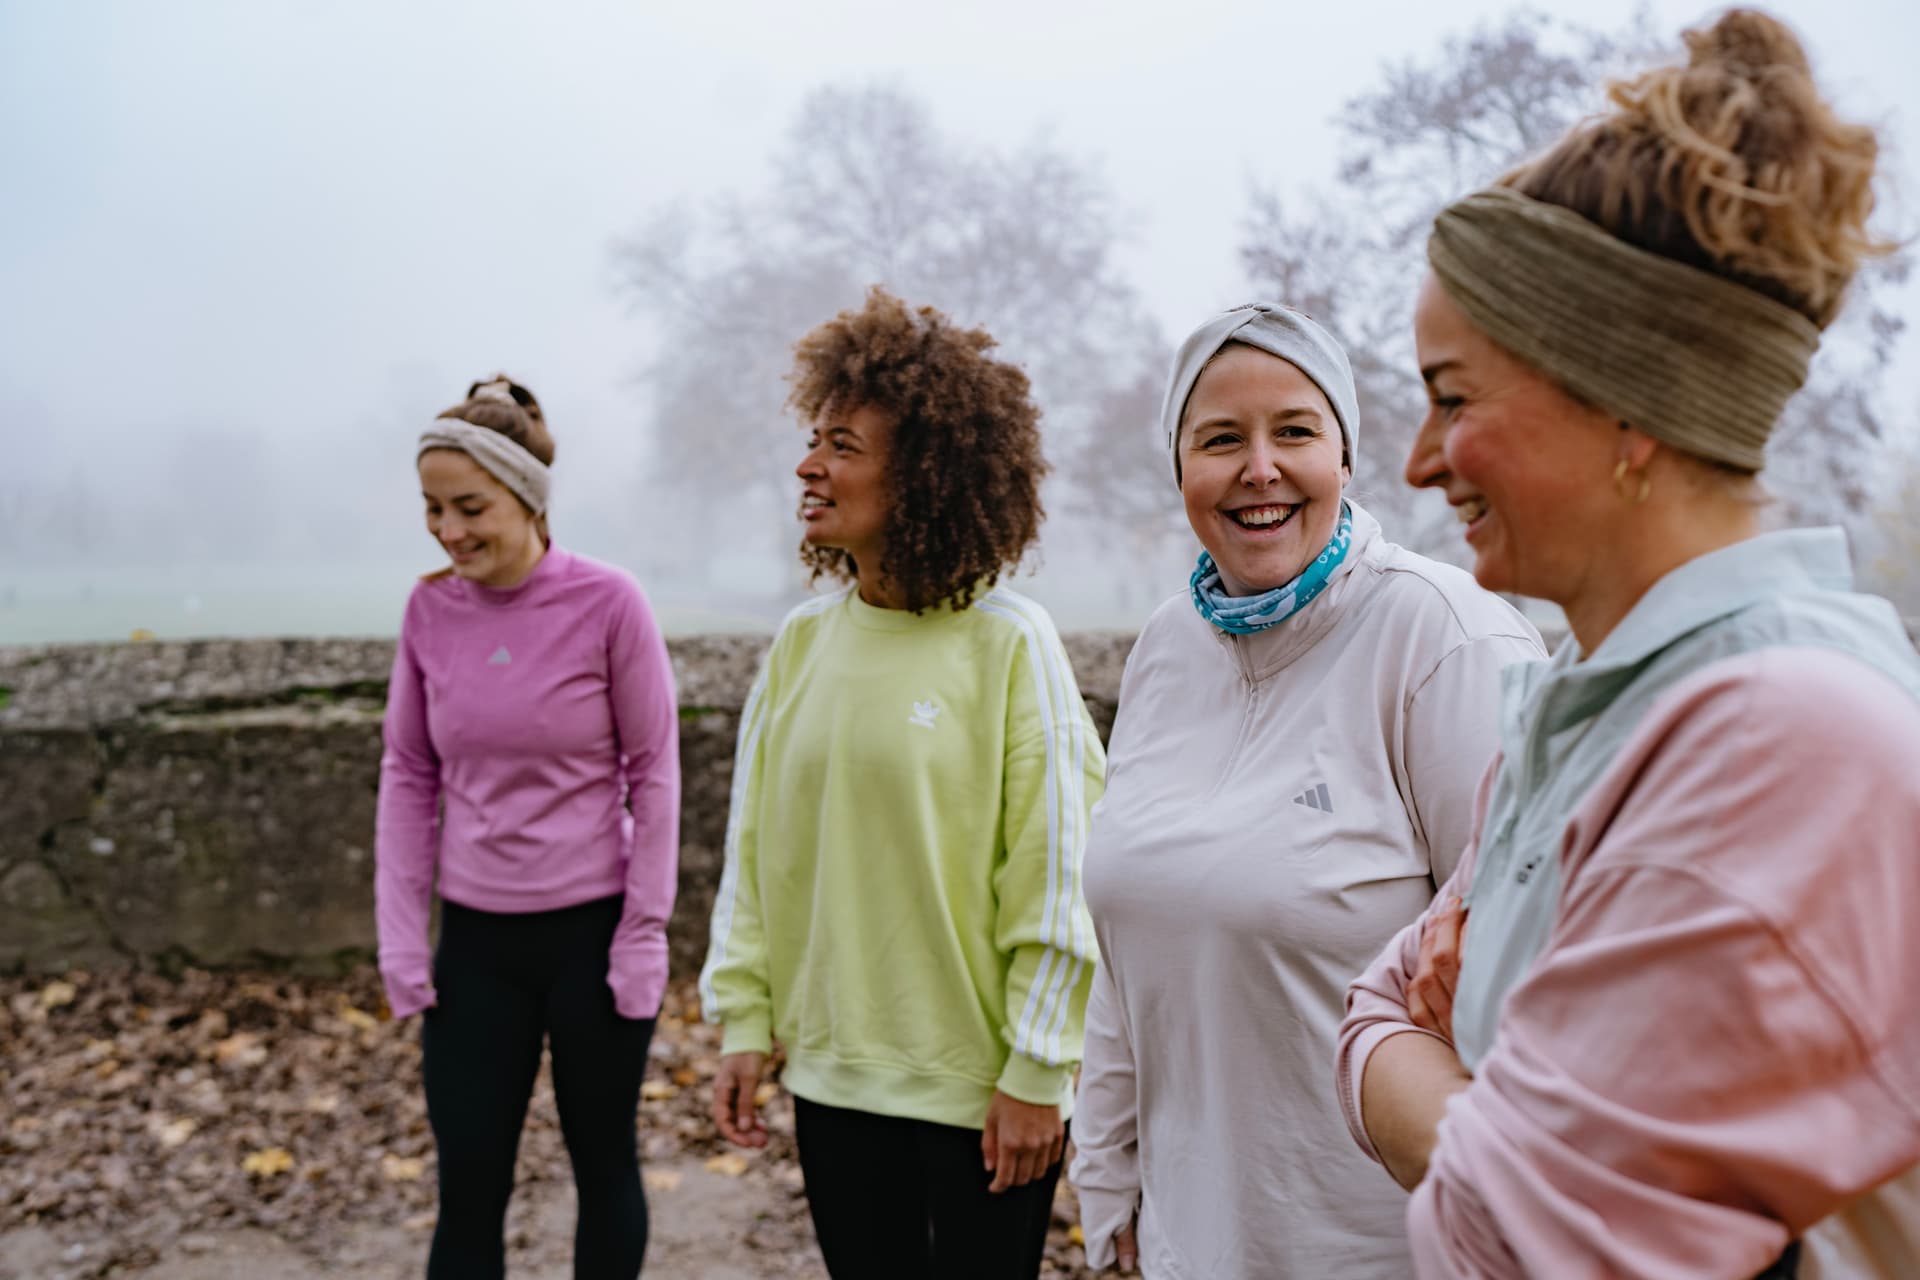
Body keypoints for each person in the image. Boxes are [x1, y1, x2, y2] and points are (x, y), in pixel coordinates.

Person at [1337, 11, 1920, 1277]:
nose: (1417, 460)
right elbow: (1373, 1011)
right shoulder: (1587, 709)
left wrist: (1463, 1111)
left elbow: (1508, 1236)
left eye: (1452, 396)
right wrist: (1488, 1113)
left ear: (1624, 407)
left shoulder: (1780, 743)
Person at [1068, 304, 1543, 1276]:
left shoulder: (1444, 639)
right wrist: (1107, 1174)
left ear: (1346, 455)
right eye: (1219, 439)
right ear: (1179, 468)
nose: (1259, 468)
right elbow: (1126, 940)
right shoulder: (1166, 648)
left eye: (1293, 431)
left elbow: (1529, 980)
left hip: (1386, 1249)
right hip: (1186, 1243)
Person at [698, 288, 1105, 1280]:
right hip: (834, 1078)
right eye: (813, 438)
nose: (809, 465)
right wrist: (745, 1017)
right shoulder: (802, 644)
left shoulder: (1011, 645)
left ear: (923, 475)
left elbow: (1061, 874)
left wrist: (1038, 1068)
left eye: (842, 444)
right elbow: (758, 850)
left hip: (979, 1093)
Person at [375, 376, 680, 1280]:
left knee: (604, 1165)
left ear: (528, 500)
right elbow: (408, 773)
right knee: (469, 1186)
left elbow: (654, 772)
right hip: (475, 949)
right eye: (432, 508)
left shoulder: (609, 603)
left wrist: (644, 935)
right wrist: (401, 942)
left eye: (470, 507)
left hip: (592, 940)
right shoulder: (430, 611)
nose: (448, 529)